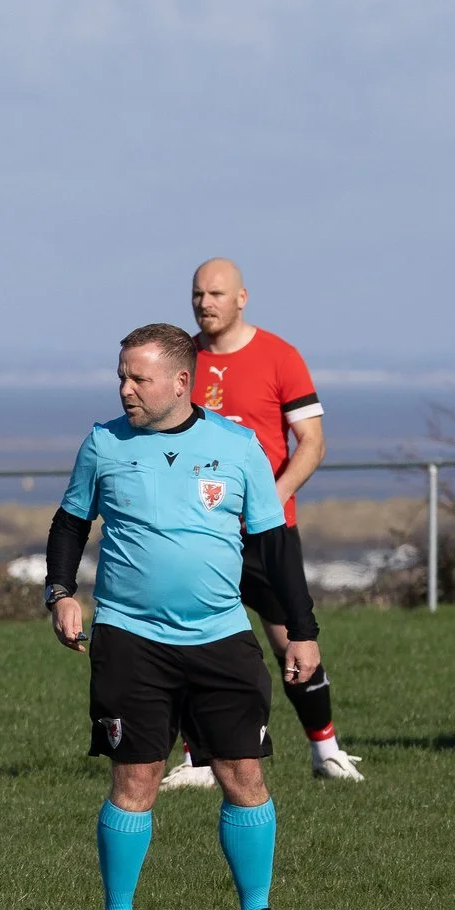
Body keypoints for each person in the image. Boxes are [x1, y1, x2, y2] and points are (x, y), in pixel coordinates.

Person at [45, 324, 321, 910]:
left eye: (138, 378)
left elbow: (276, 549)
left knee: (242, 774)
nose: (125, 389)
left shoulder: (239, 445)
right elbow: (68, 525)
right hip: (129, 637)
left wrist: (302, 632)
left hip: (221, 637)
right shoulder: (102, 445)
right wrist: (61, 594)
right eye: (120, 376)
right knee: (135, 777)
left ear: (179, 382)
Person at [162, 257, 365, 786]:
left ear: (242, 298)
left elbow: (313, 444)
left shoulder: (280, 356)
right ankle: (197, 760)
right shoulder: (179, 359)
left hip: (266, 534)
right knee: (189, 640)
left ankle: (326, 752)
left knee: (290, 641)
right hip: (200, 534)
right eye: (198, 294)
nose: (205, 303)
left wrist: (268, 502)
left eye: (216, 294)